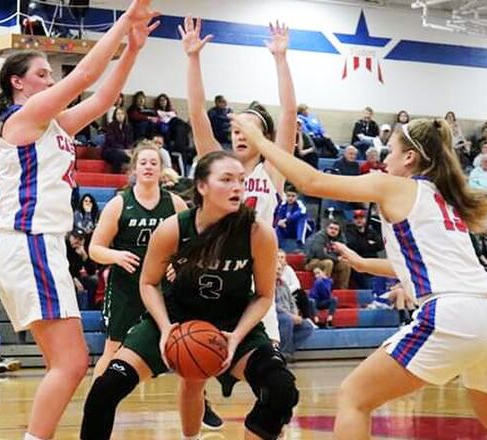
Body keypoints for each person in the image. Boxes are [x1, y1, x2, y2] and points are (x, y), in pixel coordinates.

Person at [232, 115, 487, 440]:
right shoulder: (444, 200)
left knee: (354, 397)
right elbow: (423, 265)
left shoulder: (394, 185)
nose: (386, 159)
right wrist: (366, 265)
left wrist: (260, 141)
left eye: (391, 151)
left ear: (409, 157)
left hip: (454, 313)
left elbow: (312, 182)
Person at [0, 3, 158, 438]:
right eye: (43, 74)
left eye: (52, 76)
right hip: (30, 241)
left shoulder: (53, 124)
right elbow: (86, 77)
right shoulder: (21, 119)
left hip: (43, 245)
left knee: (69, 364)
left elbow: (103, 98)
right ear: (18, 82)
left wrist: (132, 49)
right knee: (72, 363)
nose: (51, 80)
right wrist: (124, 20)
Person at [80, 150, 299, 440]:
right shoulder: (172, 228)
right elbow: (148, 284)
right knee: (104, 390)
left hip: (232, 324)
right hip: (175, 317)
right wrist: (164, 327)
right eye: (227, 179)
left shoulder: (258, 233)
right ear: (202, 186)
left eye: (241, 180)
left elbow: (263, 295)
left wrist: (236, 336)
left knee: (281, 389)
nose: (237, 187)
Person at [181, 15, 293, 399]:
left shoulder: (273, 169)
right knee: (192, 363)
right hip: (215, 271)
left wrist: (280, 59)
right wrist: (193, 59)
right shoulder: (218, 167)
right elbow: (196, 114)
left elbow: (289, 116)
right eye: (234, 131)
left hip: (257, 276)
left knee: (272, 379)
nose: (239, 136)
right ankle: (201, 403)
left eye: (248, 131)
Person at [88, 144, 187, 377]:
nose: (148, 167)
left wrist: (180, 263)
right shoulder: (119, 203)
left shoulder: (175, 204)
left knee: (185, 345)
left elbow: (192, 245)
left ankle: (199, 405)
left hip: (163, 286)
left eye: (154, 163)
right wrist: (116, 255)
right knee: (113, 348)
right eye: (143, 163)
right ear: (134, 169)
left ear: (162, 169)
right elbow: (94, 249)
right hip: (127, 286)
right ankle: (96, 405)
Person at [276, 259, 316, 358]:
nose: (278, 271)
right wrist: (291, 316)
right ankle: (283, 352)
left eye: (280, 269)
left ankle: (287, 352)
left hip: (289, 314)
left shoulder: (284, 284)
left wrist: (296, 314)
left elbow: (291, 301)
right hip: (276, 314)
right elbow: (274, 305)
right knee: (287, 320)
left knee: (307, 326)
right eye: (276, 269)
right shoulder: (268, 284)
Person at [304, 220, 351, 289]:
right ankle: (324, 289)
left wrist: (338, 258)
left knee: (345, 264)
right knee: (328, 262)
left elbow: (343, 253)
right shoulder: (320, 236)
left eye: (336, 229)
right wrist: (336, 258)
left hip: (331, 261)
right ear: (327, 228)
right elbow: (320, 255)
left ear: (339, 231)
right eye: (331, 228)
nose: (333, 231)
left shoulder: (341, 238)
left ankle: (343, 290)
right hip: (313, 261)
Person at [102, 107, 134, 172]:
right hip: (110, 150)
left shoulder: (128, 127)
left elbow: (130, 141)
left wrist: (128, 149)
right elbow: (111, 141)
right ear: (115, 115)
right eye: (118, 114)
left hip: (125, 151)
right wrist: (123, 150)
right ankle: (116, 174)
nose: (120, 116)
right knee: (119, 155)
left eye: (122, 114)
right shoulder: (111, 126)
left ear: (125, 115)